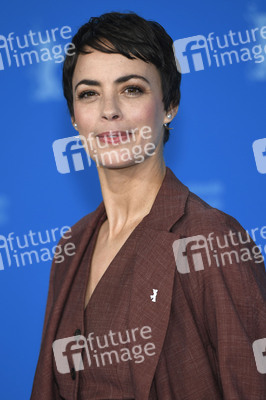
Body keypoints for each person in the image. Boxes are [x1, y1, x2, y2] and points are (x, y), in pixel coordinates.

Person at [31, 11, 266, 400]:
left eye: (132, 89)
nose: (109, 110)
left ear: (169, 105)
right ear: (74, 117)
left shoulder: (210, 238)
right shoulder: (70, 247)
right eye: (88, 93)